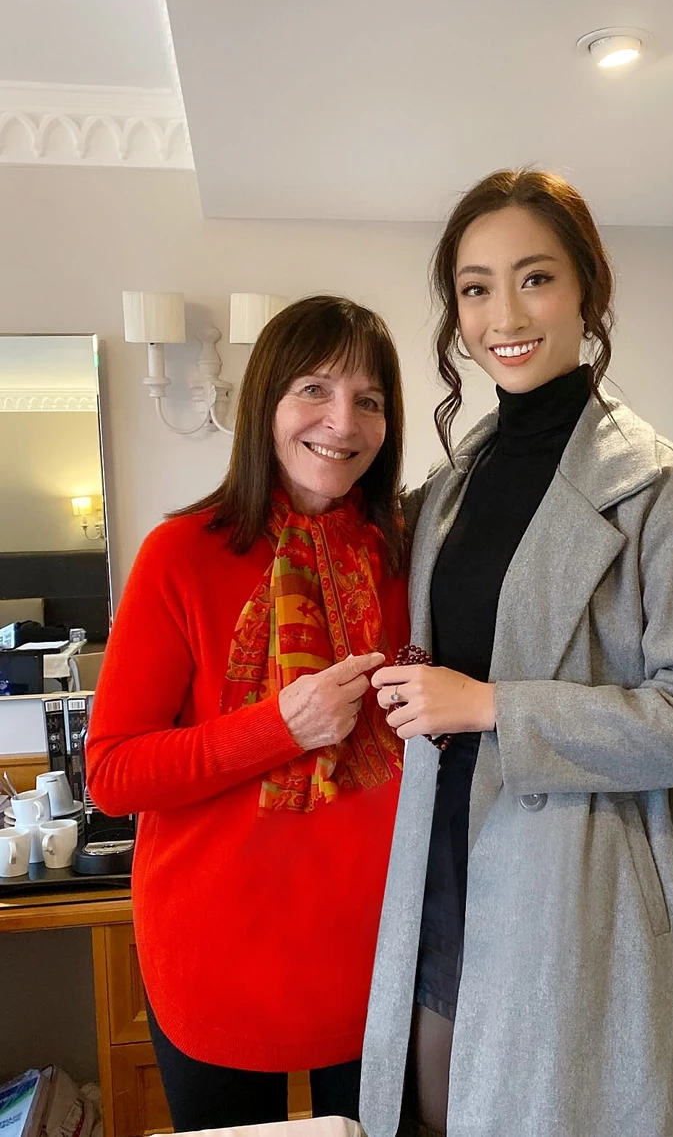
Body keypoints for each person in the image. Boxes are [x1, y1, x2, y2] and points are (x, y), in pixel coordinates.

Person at [359, 171, 673, 1137]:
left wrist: (494, 705)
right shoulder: (449, 491)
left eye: (534, 278)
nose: (505, 315)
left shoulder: (671, 496)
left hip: (583, 898)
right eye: (476, 288)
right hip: (444, 869)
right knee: (429, 1111)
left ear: (587, 289)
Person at [86, 295, 410, 1130]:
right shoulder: (180, 554)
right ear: (266, 400)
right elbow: (113, 773)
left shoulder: (408, 553)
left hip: (378, 956)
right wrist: (280, 727)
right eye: (315, 389)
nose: (343, 421)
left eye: (369, 399)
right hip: (216, 959)